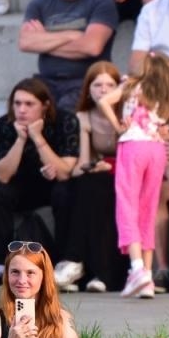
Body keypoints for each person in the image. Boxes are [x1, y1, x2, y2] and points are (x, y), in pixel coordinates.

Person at [0, 78, 78, 294]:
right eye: (17, 103)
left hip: (54, 185)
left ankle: (64, 263)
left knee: (65, 192)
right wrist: (21, 140)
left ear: (45, 105)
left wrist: (37, 137)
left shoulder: (65, 121)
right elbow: (2, 175)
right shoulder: (5, 125)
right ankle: (0, 265)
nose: (21, 110)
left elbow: (65, 171)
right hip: (21, 185)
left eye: (29, 104)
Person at [105, 52, 169, 296]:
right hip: (156, 150)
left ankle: (136, 269)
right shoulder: (166, 96)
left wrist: (118, 127)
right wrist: (167, 135)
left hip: (132, 146)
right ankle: (146, 275)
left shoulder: (132, 85)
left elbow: (104, 101)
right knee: (148, 208)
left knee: (127, 206)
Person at [52, 61, 122, 293]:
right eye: (97, 85)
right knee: (86, 184)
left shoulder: (127, 114)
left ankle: (77, 263)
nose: (103, 90)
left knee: (97, 188)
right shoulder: (84, 116)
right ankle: (93, 271)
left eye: (110, 85)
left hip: (126, 174)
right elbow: (80, 164)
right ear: (88, 89)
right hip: (98, 176)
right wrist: (94, 166)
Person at [19, 0, 117, 110]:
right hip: (47, 81)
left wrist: (44, 39)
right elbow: (25, 42)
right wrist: (73, 35)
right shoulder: (40, 3)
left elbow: (92, 47)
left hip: (87, 82)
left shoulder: (101, 2)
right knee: (23, 105)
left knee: (65, 113)